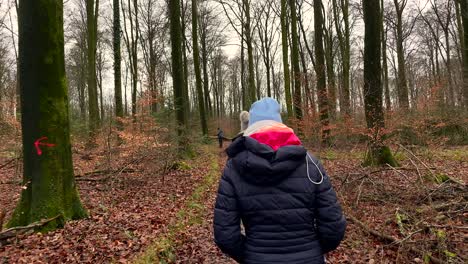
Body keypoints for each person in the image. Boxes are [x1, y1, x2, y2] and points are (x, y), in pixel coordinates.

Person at [213, 98, 346, 264]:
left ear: (250, 127)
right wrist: (312, 250)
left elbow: (225, 235)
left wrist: (250, 254)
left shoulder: (234, 167)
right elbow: (333, 227)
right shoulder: (311, 164)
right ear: (280, 124)